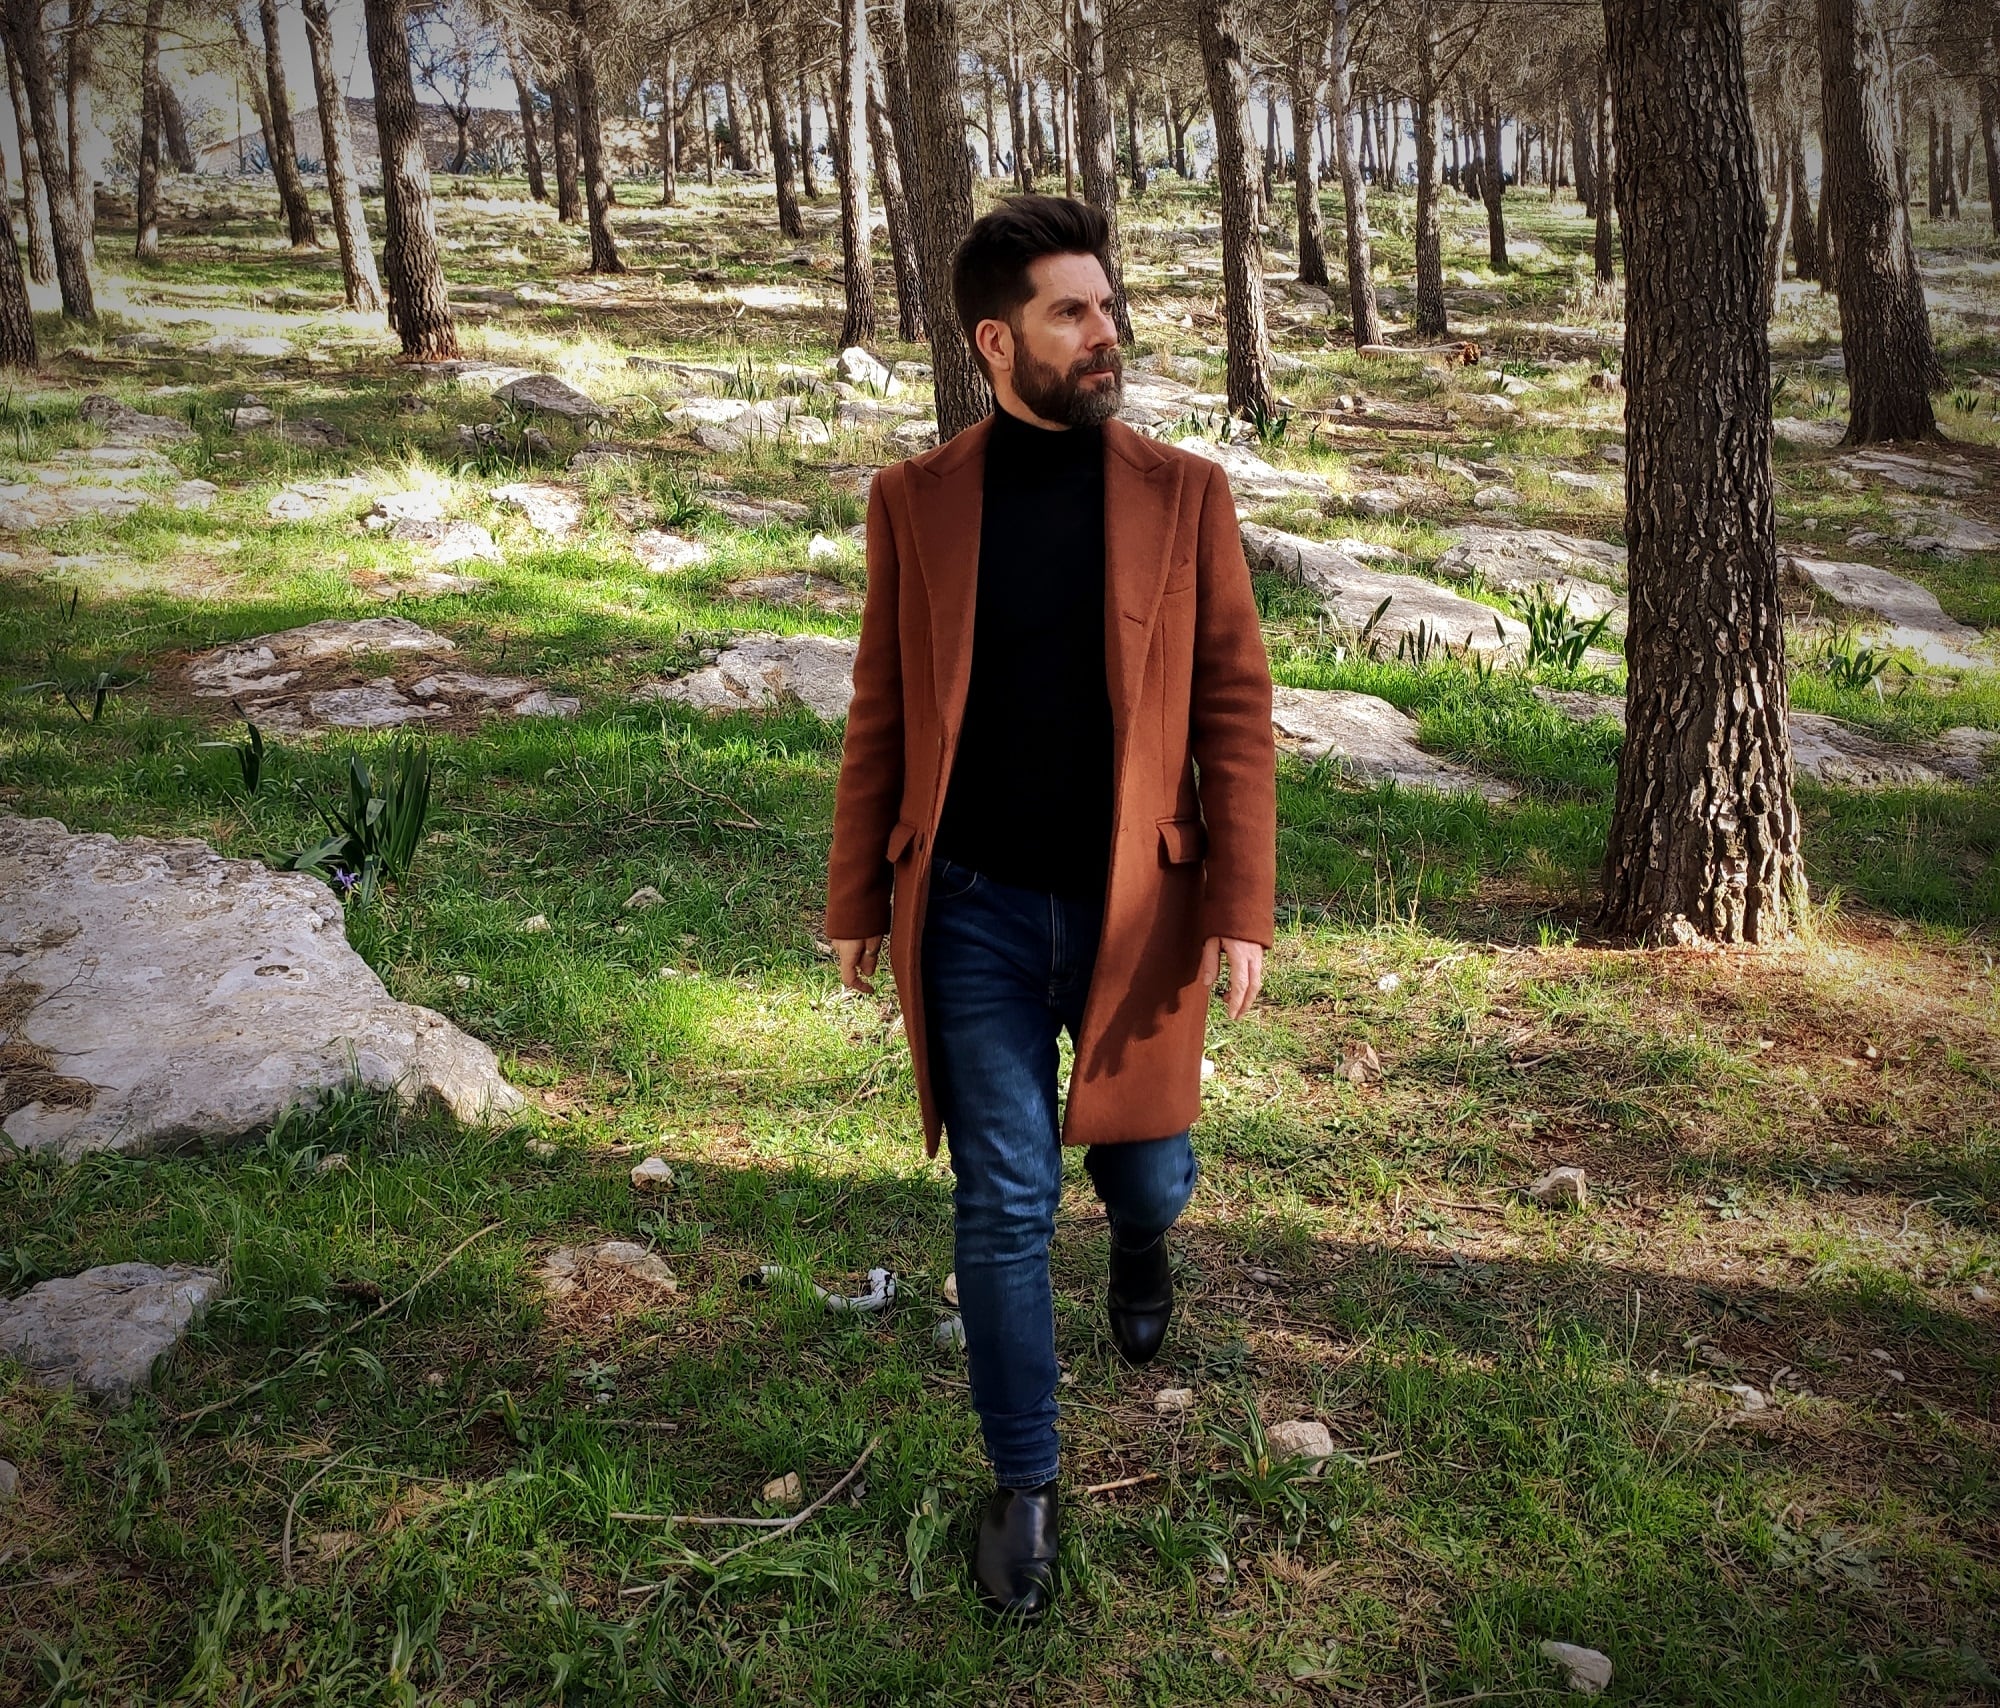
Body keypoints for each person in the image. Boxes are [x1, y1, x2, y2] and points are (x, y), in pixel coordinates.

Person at [824, 195, 1276, 1623]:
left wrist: (1243, 906)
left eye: (1107, 306)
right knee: (1003, 1200)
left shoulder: (1182, 493)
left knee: (1143, 1171)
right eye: (1072, 313)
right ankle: (1023, 1477)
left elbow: (1236, 709)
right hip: (969, 911)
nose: (1105, 333)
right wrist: (855, 900)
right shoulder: (918, 501)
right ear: (994, 340)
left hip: (1137, 908)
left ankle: (1142, 1234)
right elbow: (882, 710)